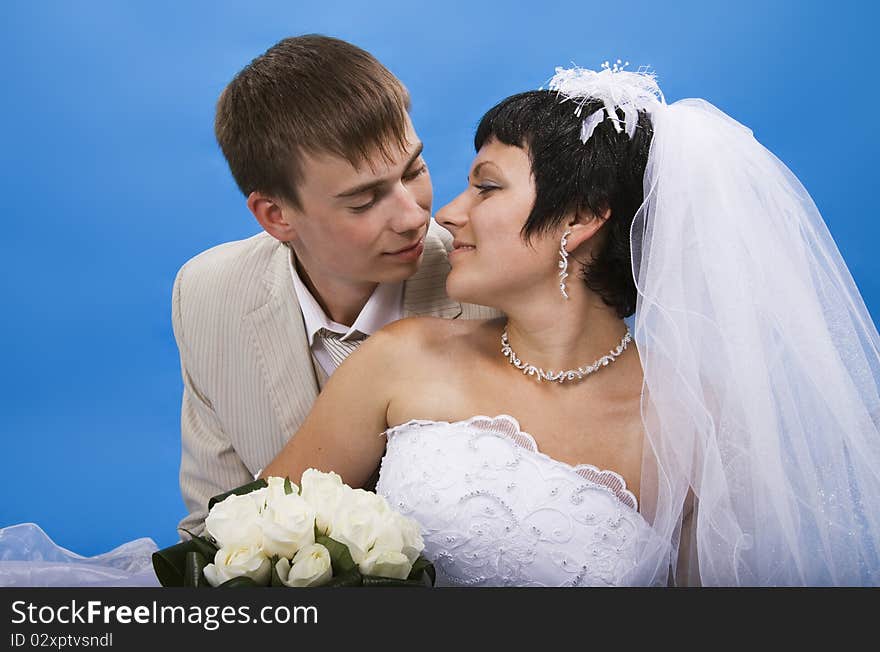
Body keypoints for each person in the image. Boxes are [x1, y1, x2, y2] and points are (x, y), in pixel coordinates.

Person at [262, 64, 880, 586]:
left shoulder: (693, 426)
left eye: (486, 187)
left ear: (580, 217)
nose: (447, 214)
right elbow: (244, 546)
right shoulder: (401, 358)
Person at [172, 35, 499, 539]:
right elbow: (210, 533)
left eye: (415, 171)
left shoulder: (492, 293)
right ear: (276, 216)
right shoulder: (207, 294)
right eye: (364, 201)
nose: (415, 217)